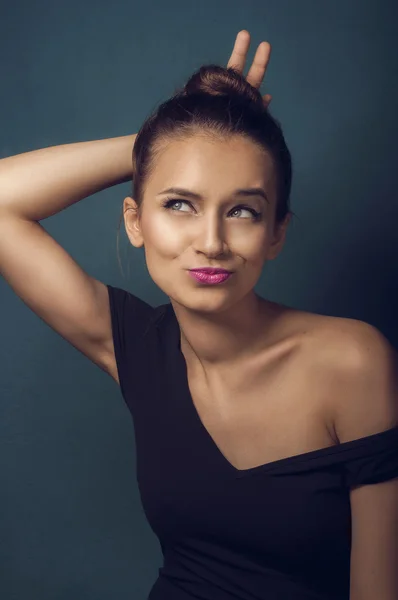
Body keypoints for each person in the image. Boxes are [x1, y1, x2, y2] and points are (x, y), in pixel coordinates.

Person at [0, 29, 397, 600]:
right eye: (179, 204)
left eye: (242, 211)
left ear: (276, 233)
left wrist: (186, 148)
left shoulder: (353, 362)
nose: (210, 242)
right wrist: (170, 139)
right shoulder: (136, 348)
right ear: (136, 222)